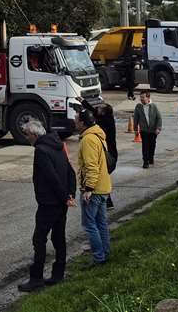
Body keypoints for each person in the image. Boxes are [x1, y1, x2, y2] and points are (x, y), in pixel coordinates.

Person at [18, 118, 75, 292]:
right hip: (61, 202)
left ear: (34, 134)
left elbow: (51, 177)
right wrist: (70, 194)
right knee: (59, 238)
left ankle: (36, 278)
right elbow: (70, 172)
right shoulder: (58, 145)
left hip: (49, 202)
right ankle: (58, 274)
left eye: (27, 135)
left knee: (39, 239)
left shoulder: (41, 150)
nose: (26, 138)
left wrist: (65, 196)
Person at [76, 109, 112, 265]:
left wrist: (88, 189)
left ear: (83, 123)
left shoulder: (88, 140)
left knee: (90, 225)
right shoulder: (98, 135)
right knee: (101, 223)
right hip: (103, 187)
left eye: (77, 119)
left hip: (94, 190)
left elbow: (91, 166)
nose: (74, 121)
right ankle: (105, 252)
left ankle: (99, 257)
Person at [95, 104, 118, 210]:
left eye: (100, 108)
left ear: (103, 112)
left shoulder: (105, 121)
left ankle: (107, 202)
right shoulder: (106, 118)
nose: (97, 108)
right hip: (110, 153)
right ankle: (106, 201)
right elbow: (94, 111)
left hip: (108, 154)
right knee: (103, 177)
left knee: (102, 177)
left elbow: (95, 114)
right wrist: (83, 101)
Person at [132, 90, 162, 167]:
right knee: (145, 145)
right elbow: (135, 118)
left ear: (148, 98)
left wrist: (158, 128)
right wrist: (135, 129)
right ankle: (145, 161)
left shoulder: (153, 106)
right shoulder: (138, 107)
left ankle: (151, 157)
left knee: (152, 144)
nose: (141, 99)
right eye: (140, 97)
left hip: (153, 130)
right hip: (144, 130)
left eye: (143, 97)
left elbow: (159, 118)